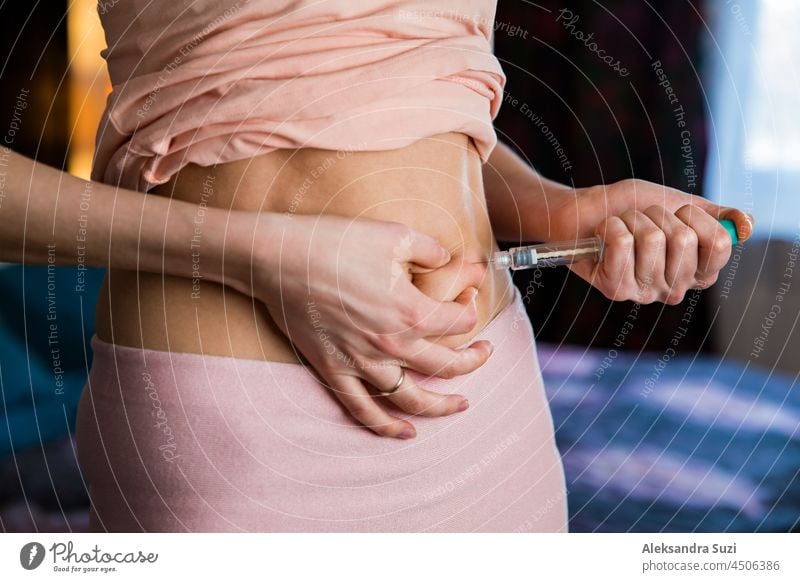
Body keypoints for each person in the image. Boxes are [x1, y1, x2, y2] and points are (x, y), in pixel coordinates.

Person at [1, 0, 753, 532]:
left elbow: (404, 89)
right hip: (240, 425)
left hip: (485, 408)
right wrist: (263, 255)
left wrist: (555, 208)